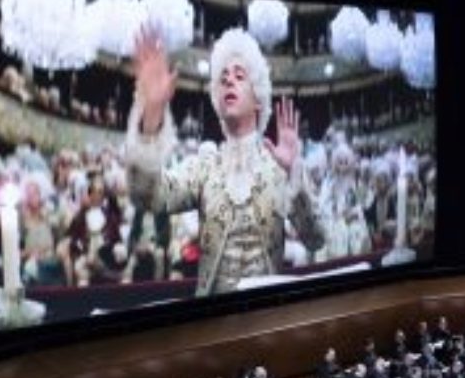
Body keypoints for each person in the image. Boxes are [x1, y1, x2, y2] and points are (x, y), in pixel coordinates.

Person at [124, 26, 326, 296]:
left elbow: (316, 239)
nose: (229, 80)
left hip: (268, 314)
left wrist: (292, 174)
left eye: (239, 76)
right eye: (223, 78)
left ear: (258, 98)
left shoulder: (278, 166)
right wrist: (151, 118)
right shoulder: (204, 166)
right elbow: (149, 198)